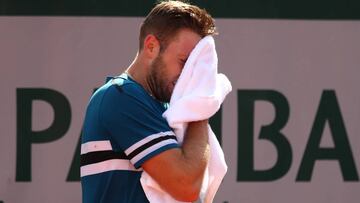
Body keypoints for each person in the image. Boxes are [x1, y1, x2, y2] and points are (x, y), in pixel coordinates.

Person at [80, 1, 217, 202]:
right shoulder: (121, 96)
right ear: (151, 46)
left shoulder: (165, 106)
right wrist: (200, 103)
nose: (189, 76)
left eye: (195, 68)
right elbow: (186, 186)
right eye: (183, 62)